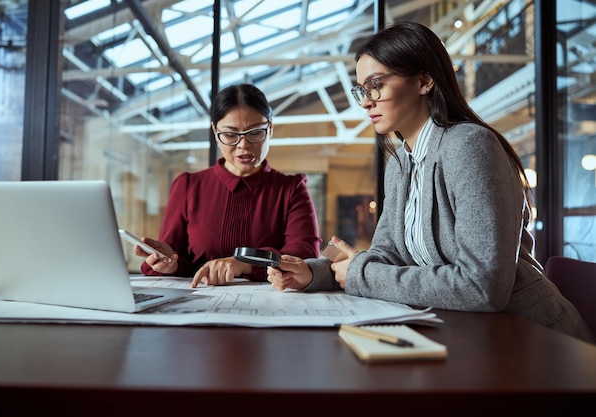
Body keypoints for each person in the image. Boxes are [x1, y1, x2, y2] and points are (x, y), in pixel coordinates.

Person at [267, 22, 594, 343]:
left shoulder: (469, 147)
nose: (366, 101)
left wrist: (361, 274)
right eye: (361, 90)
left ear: (424, 81)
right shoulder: (400, 163)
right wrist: (316, 274)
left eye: (376, 84)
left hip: (535, 342)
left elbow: (483, 286)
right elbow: (387, 253)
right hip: (466, 336)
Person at [136, 83, 321, 287]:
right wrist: (169, 264)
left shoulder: (291, 189)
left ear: (270, 128)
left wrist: (244, 263)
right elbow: (176, 257)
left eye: (255, 132)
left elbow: (305, 254)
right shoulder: (188, 186)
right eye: (231, 135)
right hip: (199, 303)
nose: (243, 145)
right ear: (216, 132)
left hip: (269, 306)